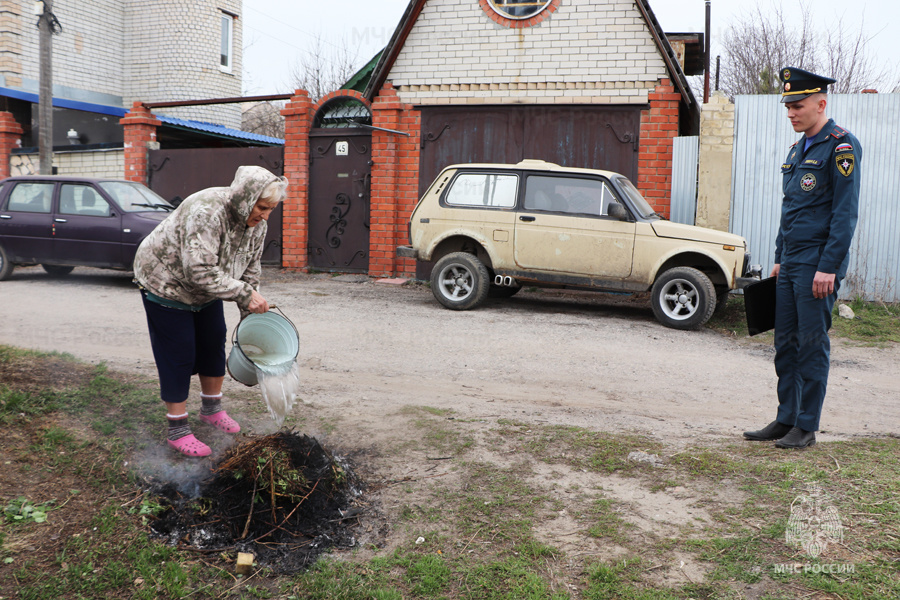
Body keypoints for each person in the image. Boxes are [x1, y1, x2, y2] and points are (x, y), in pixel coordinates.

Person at [134, 166, 289, 457]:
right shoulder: (206, 211)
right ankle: (178, 428)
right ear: (246, 198)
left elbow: (250, 268)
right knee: (179, 351)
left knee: (213, 339)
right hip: (167, 281)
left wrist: (249, 309)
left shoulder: (257, 224)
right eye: (263, 207)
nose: (266, 215)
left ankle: (211, 409)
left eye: (272, 209)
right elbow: (198, 271)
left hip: (208, 288)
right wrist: (243, 293)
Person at [744, 67, 861, 449]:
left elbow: (844, 214)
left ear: (820, 103)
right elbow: (790, 209)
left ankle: (807, 426)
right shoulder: (798, 150)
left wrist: (829, 266)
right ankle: (786, 418)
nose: (791, 112)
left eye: (798, 105)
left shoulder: (842, 147)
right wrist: (779, 258)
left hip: (817, 264)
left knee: (811, 343)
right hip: (791, 262)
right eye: (788, 106)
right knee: (785, 344)